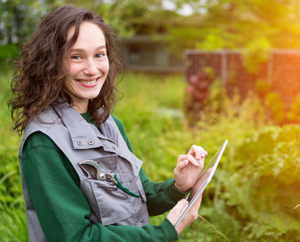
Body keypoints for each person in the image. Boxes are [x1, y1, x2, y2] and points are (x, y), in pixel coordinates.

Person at [9, 5, 207, 242]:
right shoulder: (44, 143)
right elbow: (76, 237)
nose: (92, 69)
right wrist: (163, 233)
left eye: (99, 54)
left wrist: (177, 186)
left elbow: (136, 197)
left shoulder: (111, 124)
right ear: (51, 62)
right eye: (76, 56)